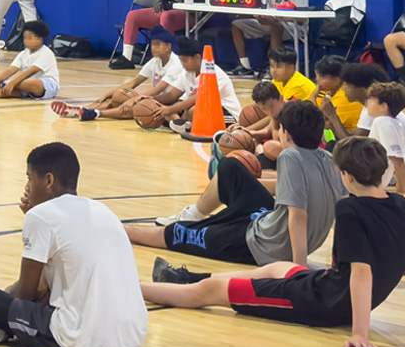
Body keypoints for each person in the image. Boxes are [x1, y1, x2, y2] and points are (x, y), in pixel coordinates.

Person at [145, 138, 405, 347]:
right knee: (278, 269)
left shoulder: (349, 207)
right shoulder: (400, 204)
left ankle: (137, 287)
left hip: (321, 303)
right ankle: (185, 279)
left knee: (209, 292)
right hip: (328, 290)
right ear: (383, 173)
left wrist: (359, 333)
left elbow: (361, 273)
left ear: (346, 176)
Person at [0, 143, 148, 347]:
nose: (26, 187)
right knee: (39, 298)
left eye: (29, 178)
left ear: (49, 180)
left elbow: (27, 293)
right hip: (132, 336)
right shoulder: (104, 211)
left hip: (83, 342)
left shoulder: (41, 216)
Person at [134, 100, 340, 257]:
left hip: (264, 245)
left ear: (285, 134)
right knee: (231, 166)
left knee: (179, 234)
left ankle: (123, 230)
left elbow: (297, 215)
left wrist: (299, 267)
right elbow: (342, 211)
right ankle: (197, 211)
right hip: (274, 228)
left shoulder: (289, 156)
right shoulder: (330, 159)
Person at [55, 28, 180, 122]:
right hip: (155, 98)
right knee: (119, 97)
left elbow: (159, 89)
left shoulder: (176, 64)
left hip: (171, 101)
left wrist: (133, 100)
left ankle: (96, 113)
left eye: (158, 44)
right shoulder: (154, 61)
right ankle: (82, 109)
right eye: (152, 44)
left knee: (135, 106)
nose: (153, 48)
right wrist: (107, 94)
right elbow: (132, 83)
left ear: (168, 46)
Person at [228, 0, 310, 77]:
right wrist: (262, 17)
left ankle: (273, 69)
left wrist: (276, 20)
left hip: (295, 28)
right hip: (274, 23)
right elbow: (269, 11)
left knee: (275, 27)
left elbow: (302, 19)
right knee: (237, 24)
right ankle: (245, 66)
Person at [160, 37, 242, 136]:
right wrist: (151, 99)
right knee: (170, 107)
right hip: (199, 112)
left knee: (192, 110)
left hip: (227, 114)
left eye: (185, 60)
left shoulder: (213, 73)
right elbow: (171, 95)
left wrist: (169, 110)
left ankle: (184, 124)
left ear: (198, 58)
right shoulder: (186, 73)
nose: (182, 64)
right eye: (181, 60)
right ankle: (181, 123)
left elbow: (198, 99)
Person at [362, 82, 405, 202]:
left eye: (371, 100)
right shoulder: (394, 123)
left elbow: (398, 161)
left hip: (369, 181)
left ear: (383, 106)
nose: (367, 103)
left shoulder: (383, 122)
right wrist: (401, 189)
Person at [0, 20, 60, 100]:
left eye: (29, 38)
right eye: (24, 38)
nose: (26, 41)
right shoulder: (23, 53)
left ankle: (6, 85)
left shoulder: (46, 53)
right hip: (24, 85)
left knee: (32, 83)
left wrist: (12, 83)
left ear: (40, 39)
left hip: (45, 85)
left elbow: (30, 72)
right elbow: (10, 70)